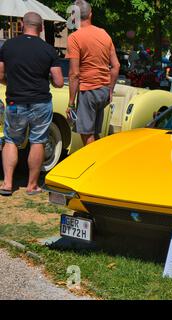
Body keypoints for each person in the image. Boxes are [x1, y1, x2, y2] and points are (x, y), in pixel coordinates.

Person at [0, 12, 64, 196]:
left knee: (11, 139)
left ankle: (7, 183)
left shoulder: (8, 46)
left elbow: (0, 74)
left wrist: (11, 84)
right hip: (41, 102)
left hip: (15, 101)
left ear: (21, 24)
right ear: (41, 27)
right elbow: (59, 82)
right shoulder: (49, 50)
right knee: (38, 141)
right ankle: (32, 185)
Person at [66, 0, 120, 146]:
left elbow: (74, 74)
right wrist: (110, 89)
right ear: (90, 14)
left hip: (88, 91)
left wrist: (71, 103)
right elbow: (116, 66)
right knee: (95, 132)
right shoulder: (104, 34)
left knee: (86, 134)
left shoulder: (74, 38)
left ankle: (95, 165)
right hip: (103, 90)